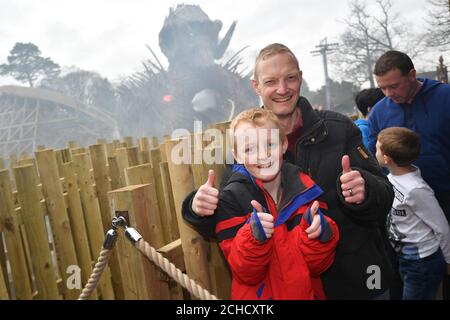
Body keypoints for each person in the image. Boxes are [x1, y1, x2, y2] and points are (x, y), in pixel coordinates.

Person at [182, 43, 394, 299]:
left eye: (290, 78)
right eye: (271, 81)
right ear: (256, 86)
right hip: (290, 287)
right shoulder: (243, 150)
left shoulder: (339, 129)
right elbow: (228, 222)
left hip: (358, 278)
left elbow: (385, 192)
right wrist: (198, 210)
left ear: (300, 78)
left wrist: (365, 190)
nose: (282, 89)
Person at [216, 107, 339, 299]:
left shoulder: (307, 190)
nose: (262, 155)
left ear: (283, 144)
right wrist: (253, 237)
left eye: (270, 144)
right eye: (249, 149)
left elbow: (317, 266)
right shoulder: (231, 200)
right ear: (237, 155)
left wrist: (321, 235)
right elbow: (245, 272)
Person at [368, 50, 450, 299]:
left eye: (394, 86)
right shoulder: (380, 112)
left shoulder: (445, 97)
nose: (389, 94)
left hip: (445, 197)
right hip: (404, 210)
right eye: (382, 88)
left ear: (412, 75)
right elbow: (372, 155)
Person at [376, 127, 450, 299]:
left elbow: (442, 228)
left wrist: (448, 260)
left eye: (377, 149)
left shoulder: (416, 189)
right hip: (405, 257)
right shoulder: (391, 177)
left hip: (423, 262)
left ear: (387, 159)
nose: (375, 151)